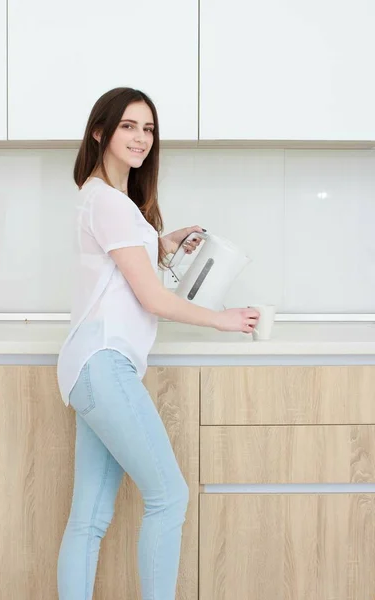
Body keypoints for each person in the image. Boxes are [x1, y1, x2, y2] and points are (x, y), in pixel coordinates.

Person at [56, 87, 259, 600]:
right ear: (100, 132)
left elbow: (120, 268)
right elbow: (152, 298)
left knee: (90, 519)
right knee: (169, 496)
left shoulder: (106, 201)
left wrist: (162, 242)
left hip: (88, 368)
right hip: (104, 366)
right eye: (128, 126)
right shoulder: (113, 204)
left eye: (147, 128)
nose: (141, 138)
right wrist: (223, 319)